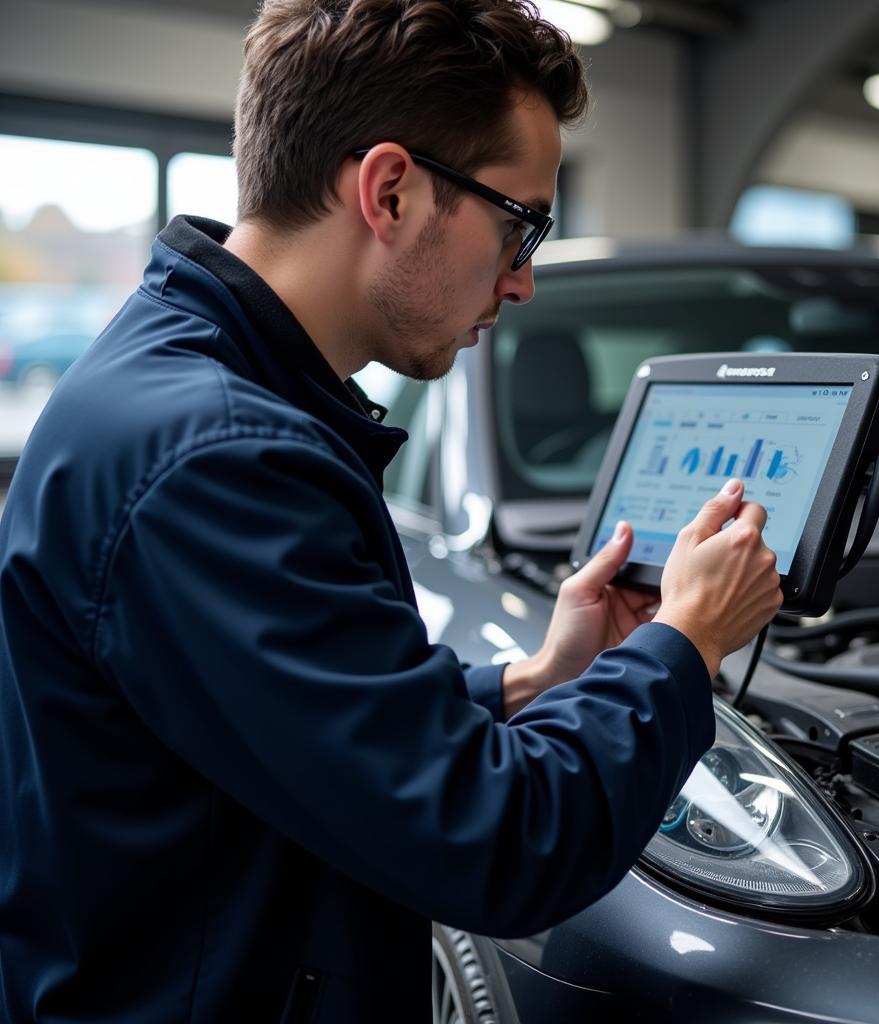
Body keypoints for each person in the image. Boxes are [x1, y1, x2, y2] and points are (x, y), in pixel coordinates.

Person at [0, 1, 782, 1020]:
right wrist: (682, 641)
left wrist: (534, 679)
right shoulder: (218, 461)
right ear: (391, 190)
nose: (523, 280)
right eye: (519, 224)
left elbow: (303, 715)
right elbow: (502, 842)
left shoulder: (190, 389)